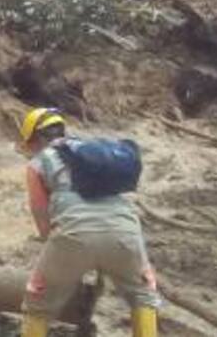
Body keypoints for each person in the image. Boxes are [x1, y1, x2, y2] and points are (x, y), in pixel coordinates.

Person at [18, 108, 158, 337]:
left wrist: (52, 247)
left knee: (37, 300)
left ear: (34, 138)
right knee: (143, 295)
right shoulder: (92, 152)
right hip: (126, 232)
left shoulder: (37, 163)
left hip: (73, 235)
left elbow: (40, 211)